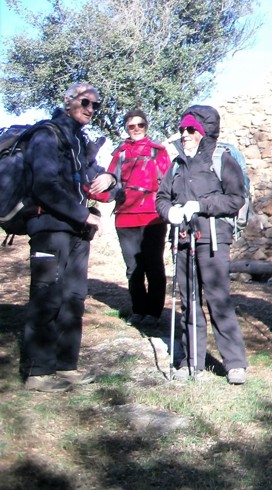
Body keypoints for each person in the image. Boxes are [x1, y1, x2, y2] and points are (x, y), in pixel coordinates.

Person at [21, 82, 117, 392]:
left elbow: (92, 176)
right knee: (46, 296)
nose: (91, 109)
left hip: (76, 233)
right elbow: (44, 186)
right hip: (49, 229)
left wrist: (109, 178)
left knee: (73, 298)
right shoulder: (46, 135)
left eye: (96, 105)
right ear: (68, 101)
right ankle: (37, 372)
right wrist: (83, 214)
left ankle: (66, 365)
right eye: (86, 102)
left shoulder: (78, 141)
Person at [156, 105, 249, 385]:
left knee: (218, 299)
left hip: (213, 240)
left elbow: (236, 199)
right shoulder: (177, 163)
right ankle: (191, 361)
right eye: (182, 129)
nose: (184, 134)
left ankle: (235, 364)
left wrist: (200, 205)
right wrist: (169, 212)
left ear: (204, 131)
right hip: (183, 239)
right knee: (189, 302)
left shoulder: (222, 159)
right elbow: (161, 198)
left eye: (190, 129)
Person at [106, 109, 171, 328]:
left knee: (154, 265)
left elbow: (168, 183)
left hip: (153, 218)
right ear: (126, 128)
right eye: (131, 126)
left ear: (146, 126)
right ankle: (138, 309)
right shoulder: (120, 153)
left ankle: (154, 312)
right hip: (125, 218)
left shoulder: (158, 151)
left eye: (140, 125)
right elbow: (110, 181)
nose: (136, 129)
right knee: (133, 268)